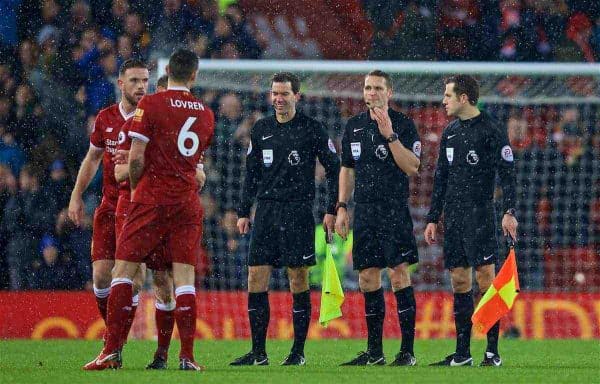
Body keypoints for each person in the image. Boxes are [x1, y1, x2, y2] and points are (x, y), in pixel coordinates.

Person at [84, 49, 215, 371]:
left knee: (124, 271)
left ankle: (112, 350)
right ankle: (186, 357)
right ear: (195, 75)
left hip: (150, 200)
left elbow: (137, 158)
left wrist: (139, 183)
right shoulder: (206, 114)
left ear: (167, 70)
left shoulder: (151, 105)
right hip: (186, 203)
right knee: (182, 278)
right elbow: (197, 168)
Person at [231, 72, 340, 366]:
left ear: (297, 96)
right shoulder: (261, 129)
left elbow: (335, 168)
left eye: (284, 94)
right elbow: (251, 174)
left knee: (298, 277)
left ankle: (298, 352)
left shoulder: (311, 129)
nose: (279, 99)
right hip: (266, 211)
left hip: (298, 211)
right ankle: (258, 353)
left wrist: (332, 208)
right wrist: (243, 211)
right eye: (275, 94)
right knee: (256, 276)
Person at [113, 74, 208, 370]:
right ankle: (117, 349)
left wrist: (170, 173)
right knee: (137, 277)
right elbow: (117, 173)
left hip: (171, 209)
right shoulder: (135, 125)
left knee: (165, 280)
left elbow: (201, 175)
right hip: (142, 208)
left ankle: (162, 354)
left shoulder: (184, 126)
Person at [424, 75, 518, 367]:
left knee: (485, 279)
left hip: (480, 213)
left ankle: (492, 352)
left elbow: (508, 173)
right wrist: (432, 217)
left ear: (463, 98)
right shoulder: (450, 132)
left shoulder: (490, 129)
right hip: (453, 216)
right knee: (460, 280)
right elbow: (441, 177)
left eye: (448, 95)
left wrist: (509, 211)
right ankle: (462, 353)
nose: (444, 101)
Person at [335, 70, 421, 366]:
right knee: (367, 276)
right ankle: (375, 352)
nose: (371, 93)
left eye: (377, 88)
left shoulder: (404, 125)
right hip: (365, 211)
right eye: (367, 88)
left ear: (389, 92)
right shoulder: (354, 126)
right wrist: (342, 206)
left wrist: (390, 136)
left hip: (394, 211)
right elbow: (346, 169)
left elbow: (412, 167)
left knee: (399, 273)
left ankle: (407, 352)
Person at [68, 58, 149, 339]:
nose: (141, 87)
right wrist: (76, 195)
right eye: (135, 81)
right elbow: (92, 158)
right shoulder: (106, 118)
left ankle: (115, 341)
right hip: (109, 205)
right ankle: (115, 334)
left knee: (133, 279)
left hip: (139, 208)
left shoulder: (152, 119)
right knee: (101, 276)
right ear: (121, 83)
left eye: (145, 81)